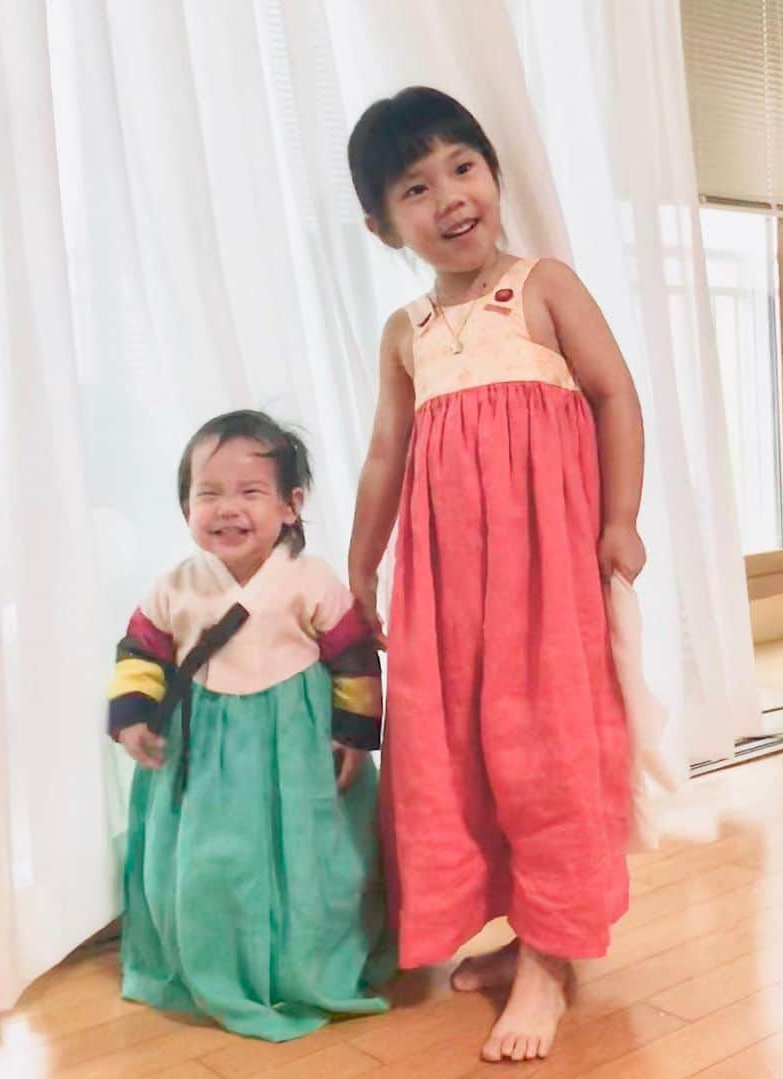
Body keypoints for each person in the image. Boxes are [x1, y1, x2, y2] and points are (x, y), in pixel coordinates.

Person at [346, 86, 646, 1063]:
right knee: (458, 754)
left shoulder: (544, 286)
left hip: (546, 581)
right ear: (382, 222)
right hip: (444, 594)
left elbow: (614, 394)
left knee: (549, 750)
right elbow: (387, 453)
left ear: (495, 173)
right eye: (416, 187)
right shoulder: (407, 332)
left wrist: (621, 521)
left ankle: (552, 959)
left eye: (462, 167)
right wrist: (362, 559)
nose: (449, 197)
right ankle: (522, 928)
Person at [108, 410, 392, 1041]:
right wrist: (131, 718)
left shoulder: (310, 580)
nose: (226, 508)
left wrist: (353, 734)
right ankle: (217, 954)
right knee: (214, 865)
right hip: (203, 755)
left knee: (312, 862)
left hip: (297, 751)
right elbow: (140, 651)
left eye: (249, 492)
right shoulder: (176, 585)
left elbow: (352, 658)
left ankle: (301, 960)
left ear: (291, 506)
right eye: (207, 493)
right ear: (186, 506)